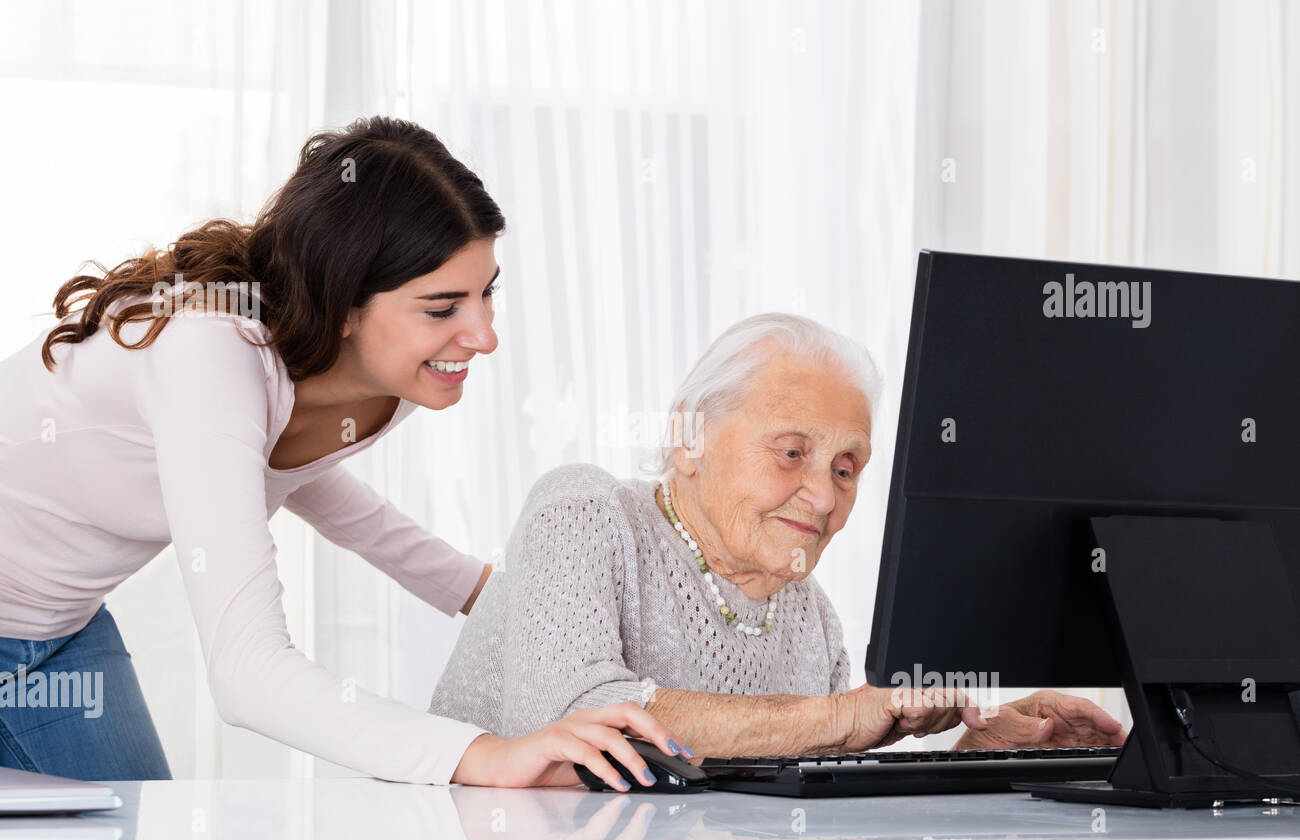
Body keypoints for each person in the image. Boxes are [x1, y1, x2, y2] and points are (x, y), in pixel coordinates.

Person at [0, 116, 685, 792]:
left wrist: (487, 593)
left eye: (487, 293)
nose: (482, 336)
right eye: (443, 307)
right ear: (344, 304)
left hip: (58, 631)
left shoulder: (383, 379)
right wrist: (483, 755)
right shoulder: (209, 354)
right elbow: (247, 673)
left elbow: (302, 479)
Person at [428, 313, 1127, 756]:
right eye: (791, 452)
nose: (823, 495)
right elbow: (570, 718)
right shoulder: (584, 512)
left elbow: (807, 778)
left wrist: (978, 745)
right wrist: (839, 716)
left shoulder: (811, 618)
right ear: (689, 438)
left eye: (847, 468)